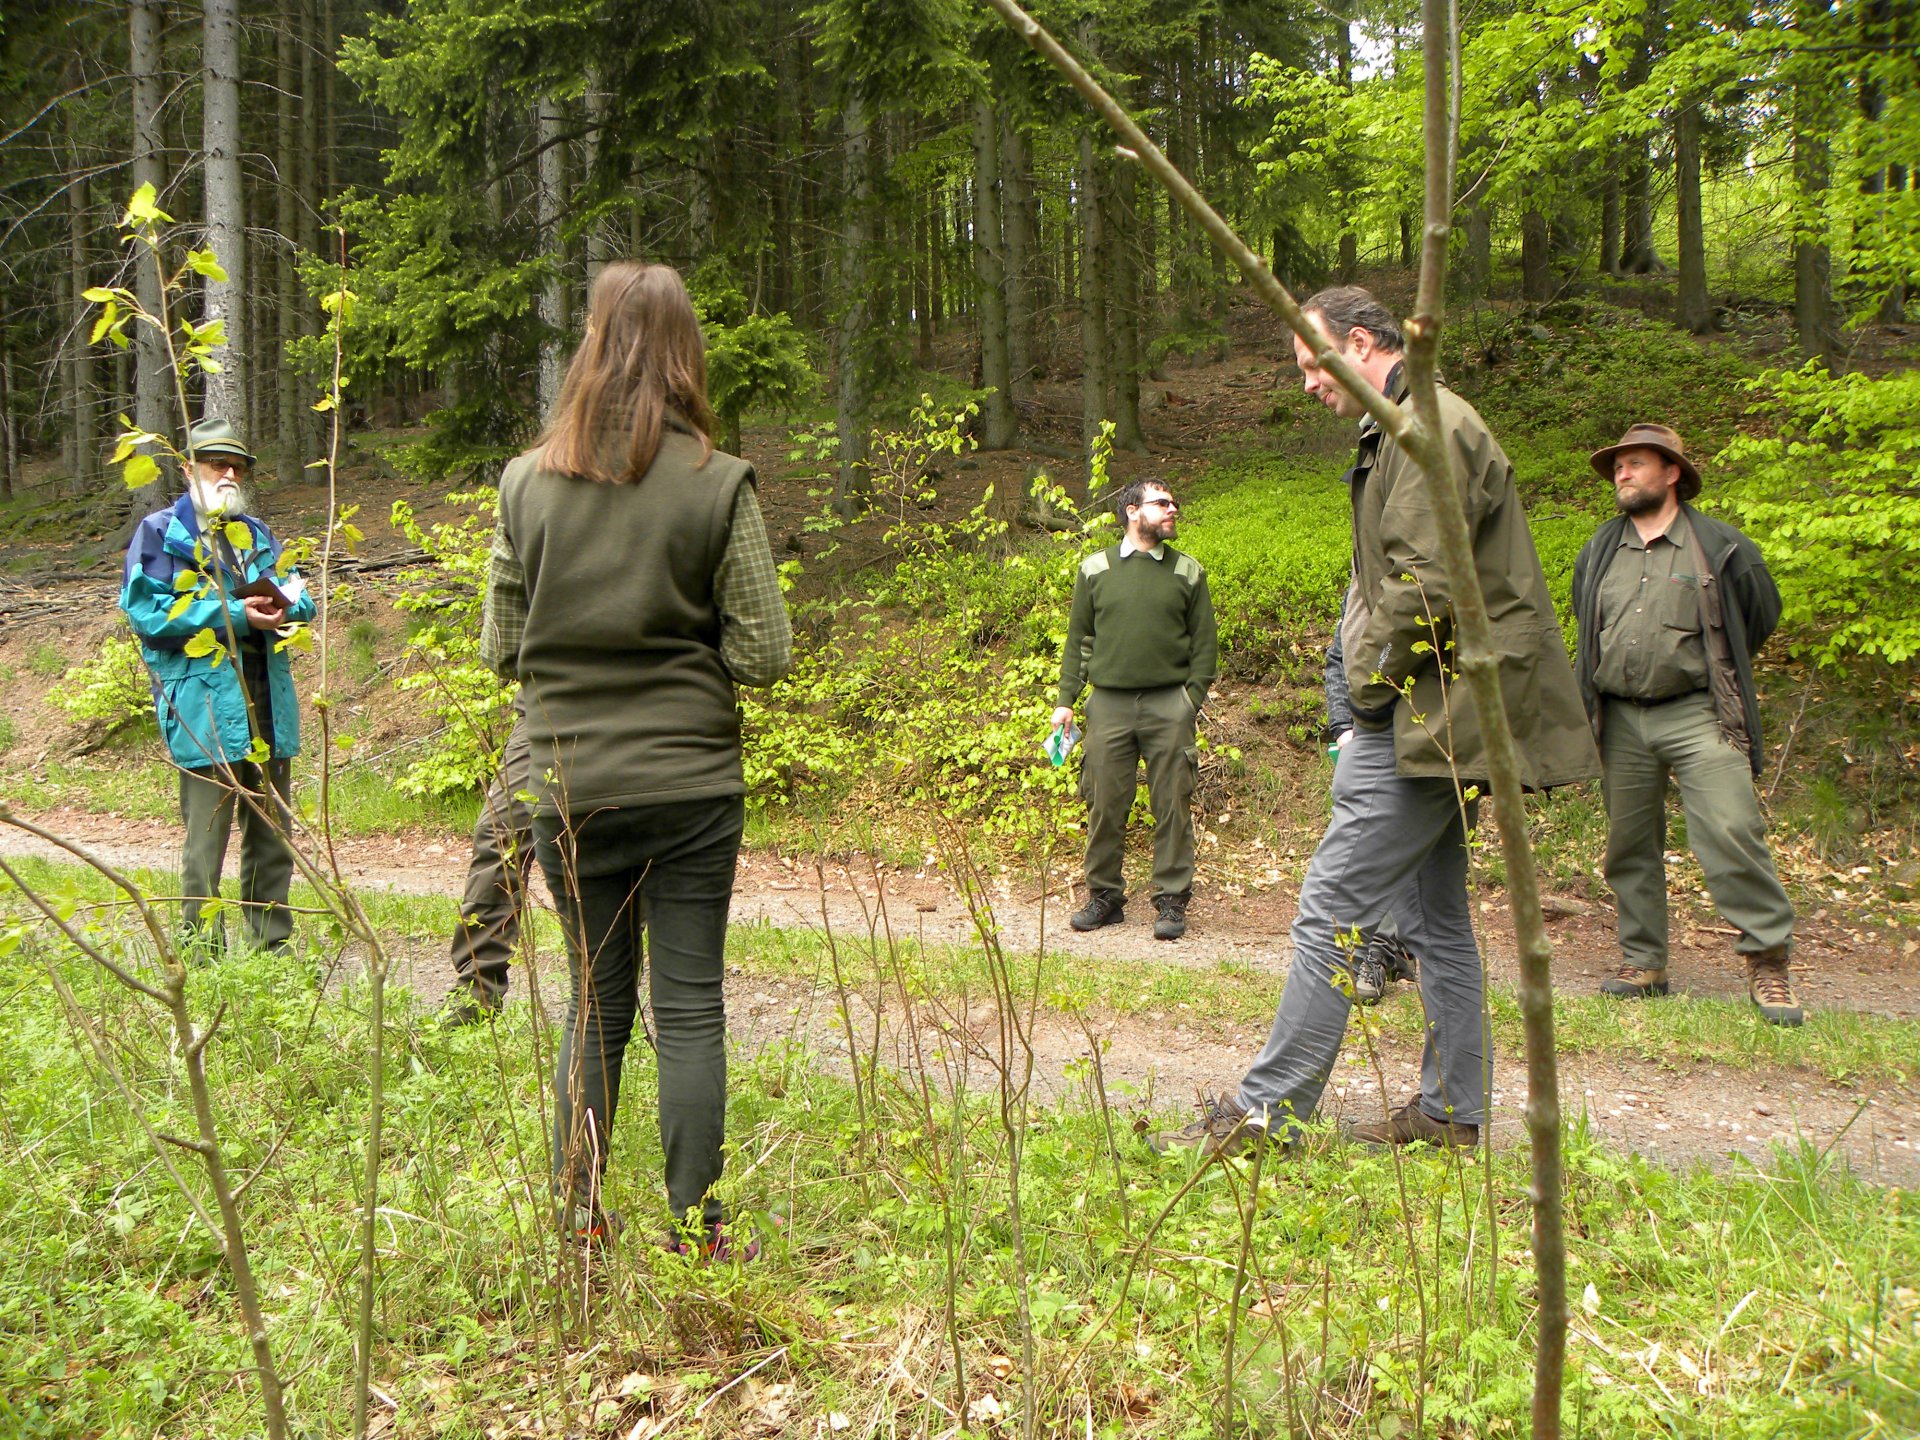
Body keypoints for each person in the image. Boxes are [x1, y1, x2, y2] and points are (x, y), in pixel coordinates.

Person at [1153, 286, 1598, 1156]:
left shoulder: (1423, 426)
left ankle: (1268, 1116)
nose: (1308, 383)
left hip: (1428, 712)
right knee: (1435, 920)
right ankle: (1450, 1112)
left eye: (1312, 362)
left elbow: (1422, 587)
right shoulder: (1409, 425)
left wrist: (1366, 691)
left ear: (1360, 343)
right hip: (1444, 711)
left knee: (1333, 910)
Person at [480, 261, 792, 1253]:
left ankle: (578, 1219)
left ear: (590, 343)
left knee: (596, 999)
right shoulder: (718, 480)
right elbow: (765, 653)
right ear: (685, 349)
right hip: (691, 784)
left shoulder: (525, 483)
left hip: (569, 786)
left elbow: (500, 648)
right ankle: (698, 1230)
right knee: (690, 1008)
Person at [1571, 424, 1800, 1025]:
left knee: (1731, 830)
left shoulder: (1720, 545)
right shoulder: (1600, 548)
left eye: (1635, 464)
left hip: (1699, 712)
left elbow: (1758, 615)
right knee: (1628, 844)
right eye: (1618, 466)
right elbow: (1585, 619)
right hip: (1619, 717)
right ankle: (1644, 961)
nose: (1622, 474)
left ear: (1672, 472)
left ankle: (1767, 962)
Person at [120, 418, 317, 957]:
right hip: (202, 703)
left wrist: (284, 608)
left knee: (272, 832)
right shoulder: (160, 533)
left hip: (268, 697)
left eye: (238, 467)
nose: (229, 474)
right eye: (216, 464)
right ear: (189, 469)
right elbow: (147, 615)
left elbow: (301, 596)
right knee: (206, 838)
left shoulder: (255, 534)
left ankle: (270, 949)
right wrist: (233, 612)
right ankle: (201, 954)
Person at [1051, 479, 1218, 941]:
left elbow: (1205, 646)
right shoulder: (1095, 569)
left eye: (1174, 503)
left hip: (1169, 705)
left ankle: (1171, 900)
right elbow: (1079, 641)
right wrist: (1066, 701)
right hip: (1108, 704)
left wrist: (1188, 701)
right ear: (1132, 511)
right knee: (1104, 801)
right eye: (1162, 503)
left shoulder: (1187, 571)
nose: (1173, 509)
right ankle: (1104, 897)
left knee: (1173, 805)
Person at [1324, 585, 1418, 1005]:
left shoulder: (1423, 574)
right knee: (1365, 847)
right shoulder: (1361, 579)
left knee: (1410, 849)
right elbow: (1338, 656)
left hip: (1424, 734)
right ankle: (1377, 949)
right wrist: (1342, 726)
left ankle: (1385, 950)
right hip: (1364, 739)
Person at [436, 698, 534, 1025]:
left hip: (648, 708)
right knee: (500, 833)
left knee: (617, 843)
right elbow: (504, 664)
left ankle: (606, 1006)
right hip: (547, 707)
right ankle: (476, 997)